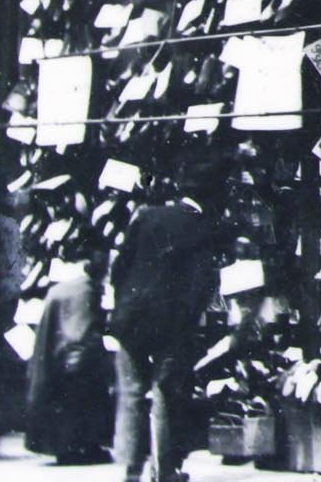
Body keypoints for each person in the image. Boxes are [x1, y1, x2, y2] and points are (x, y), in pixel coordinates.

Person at [107, 180, 219, 482]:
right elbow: (202, 282)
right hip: (170, 325)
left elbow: (119, 268)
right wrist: (189, 319)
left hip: (132, 318)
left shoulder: (146, 215)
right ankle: (164, 472)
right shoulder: (200, 226)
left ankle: (131, 471)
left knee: (131, 393)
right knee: (164, 394)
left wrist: (124, 305)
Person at [25, 256, 113, 462]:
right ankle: (85, 446)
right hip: (76, 354)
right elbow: (86, 330)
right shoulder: (89, 290)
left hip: (55, 356)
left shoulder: (64, 288)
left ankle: (67, 447)